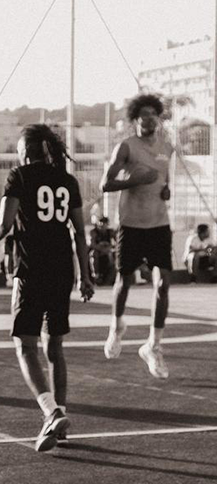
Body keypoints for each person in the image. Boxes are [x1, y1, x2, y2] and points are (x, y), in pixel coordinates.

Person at [0, 124, 93, 452]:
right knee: (55, 347)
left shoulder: (19, 176)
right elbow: (80, 232)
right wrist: (86, 275)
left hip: (32, 269)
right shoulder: (67, 181)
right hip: (62, 269)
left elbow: (3, 226)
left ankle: (50, 411)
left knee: (25, 345)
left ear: (26, 151)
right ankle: (59, 419)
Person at [101, 93, 174, 378]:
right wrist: (133, 180)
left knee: (163, 284)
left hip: (159, 224)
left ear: (158, 117)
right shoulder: (126, 147)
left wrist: (166, 190)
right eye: (143, 114)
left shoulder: (167, 148)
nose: (149, 118)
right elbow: (105, 184)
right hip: (131, 225)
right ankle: (116, 326)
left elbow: (163, 181)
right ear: (135, 119)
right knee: (125, 280)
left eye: (153, 113)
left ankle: (153, 346)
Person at [88, 215, 116, 285]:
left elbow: (118, 242)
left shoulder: (110, 232)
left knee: (113, 256)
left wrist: (109, 247)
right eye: (101, 222)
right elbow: (92, 244)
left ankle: (110, 278)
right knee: (94, 254)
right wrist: (102, 249)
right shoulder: (93, 232)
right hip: (97, 252)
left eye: (105, 223)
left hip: (107, 251)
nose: (103, 225)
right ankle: (96, 274)